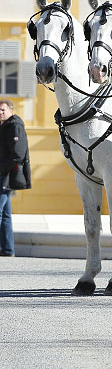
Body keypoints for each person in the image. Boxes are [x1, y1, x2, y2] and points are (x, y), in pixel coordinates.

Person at [0, 99, 31, 256]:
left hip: (5, 176)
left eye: (3, 110)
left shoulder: (15, 125)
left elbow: (18, 154)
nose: (0, 113)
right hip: (4, 174)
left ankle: (7, 249)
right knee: (5, 215)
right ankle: (7, 249)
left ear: (11, 110)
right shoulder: (5, 126)